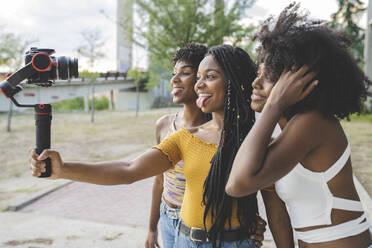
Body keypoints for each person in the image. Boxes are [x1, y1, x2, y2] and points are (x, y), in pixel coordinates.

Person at [29, 45, 266, 248]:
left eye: (209, 77)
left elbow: (274, 207)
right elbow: (128, 169)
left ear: (235, 81)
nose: (198, 85)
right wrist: (63, 170)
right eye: (198, 77)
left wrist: (252, 220)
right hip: (185, 239)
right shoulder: (185, 138)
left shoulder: (257, 141)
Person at [226, 3, 372, 248]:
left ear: (298, 82)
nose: (256, 83)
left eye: (269, 76)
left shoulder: (312, 123)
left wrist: (273, 104)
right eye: (257, 73)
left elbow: (238, 184)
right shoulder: (281, 128)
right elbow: (252, 189)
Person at [145, 43, 209, 248]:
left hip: (195, 226)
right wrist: (152, 228)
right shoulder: (164, 125)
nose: (174, 80)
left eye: (185, 73)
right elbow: (159, 180)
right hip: (166, 218)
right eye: (174, 74)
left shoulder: (213, 132)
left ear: (202, 78)